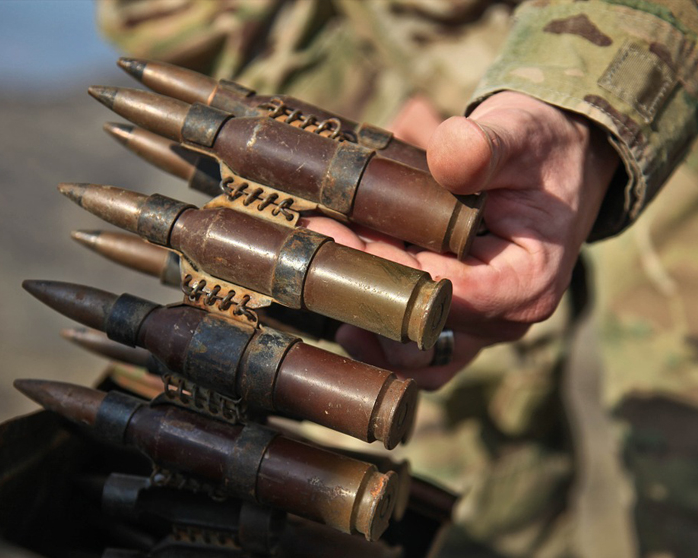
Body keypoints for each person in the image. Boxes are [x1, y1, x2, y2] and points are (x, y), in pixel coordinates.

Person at [97, 1, 698, 556]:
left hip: (662, 95)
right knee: (446, 508)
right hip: (415, 144)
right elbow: (173, 15)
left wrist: (576, 103)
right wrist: (369, 132)